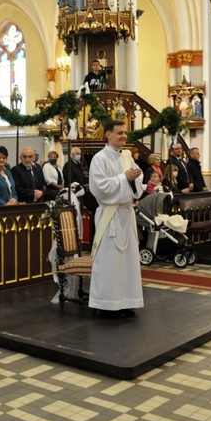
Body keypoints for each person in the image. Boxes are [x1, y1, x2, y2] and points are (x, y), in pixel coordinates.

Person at [88, 120, 144, 318]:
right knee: (109, 261)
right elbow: (99, 187)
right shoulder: (99, 158)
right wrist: (124, 178)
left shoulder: (127, 156)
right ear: (108, 135)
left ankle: (126, 301)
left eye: (125, 133)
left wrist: (134, 178)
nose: (123, 136)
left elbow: (138, 180)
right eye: (119, 133)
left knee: (127, 261)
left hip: (126, 213)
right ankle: (106, 304)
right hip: (109, 215)